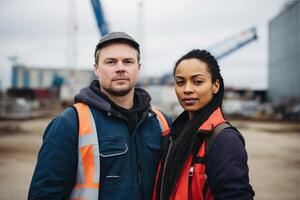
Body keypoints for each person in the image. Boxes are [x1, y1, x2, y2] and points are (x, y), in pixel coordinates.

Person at [28, 31, 171, 200]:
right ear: (95, 68)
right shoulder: (70, 123)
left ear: (138, 68)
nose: (120, 68)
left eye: (128, 61)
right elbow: (45, 193)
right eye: (111, 62)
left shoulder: (162, 122)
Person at [153, 49, 255, 200]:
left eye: (197, 82)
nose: (187, 89)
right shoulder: (174, 135)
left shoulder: (224, 140)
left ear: (216, 85)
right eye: (180, 82)